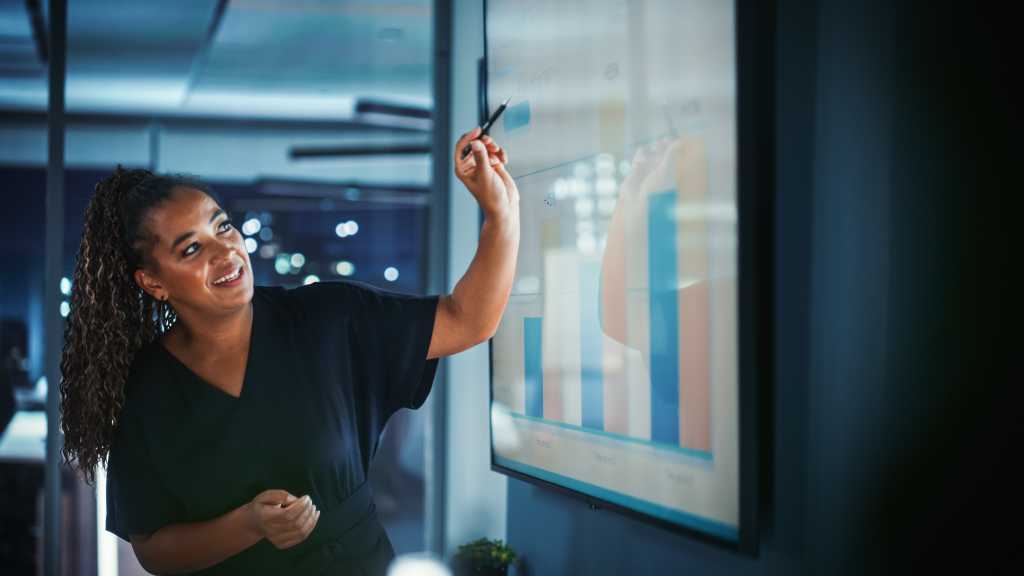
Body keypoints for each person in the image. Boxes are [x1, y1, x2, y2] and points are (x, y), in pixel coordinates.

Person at [58, 128, 519, 575]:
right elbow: (153, 550)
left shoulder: (330, 319)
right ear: (153, 282)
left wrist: (501, 214)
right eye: (192, 248)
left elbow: (467, 320)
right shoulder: (147, 390)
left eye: (223, 227)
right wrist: (247, 525)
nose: (225, 252)